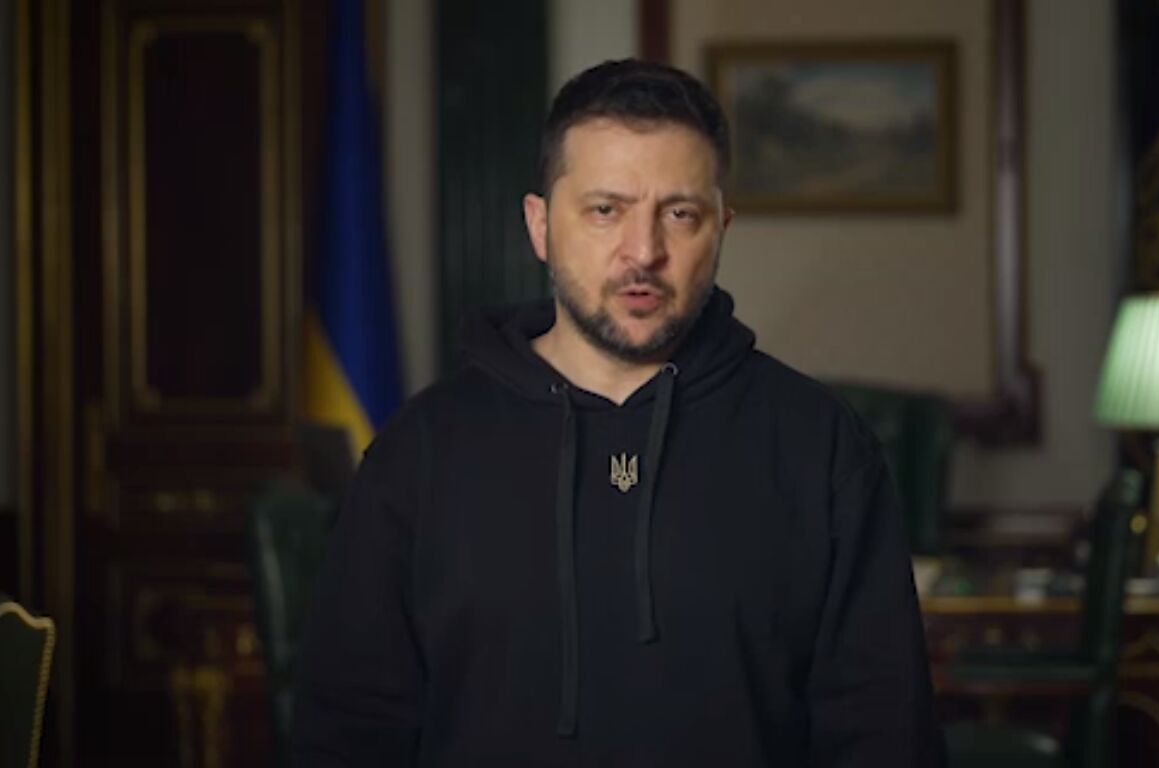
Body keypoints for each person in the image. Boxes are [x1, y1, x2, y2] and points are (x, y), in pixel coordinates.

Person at [292, 58, 942, 766]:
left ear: (721, 228)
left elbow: (885, 737)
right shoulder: (420, 452)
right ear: (541, 225)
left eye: (680, 214)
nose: (644, 251)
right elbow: (347, 736)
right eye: (606, 210)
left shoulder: (822, 446)